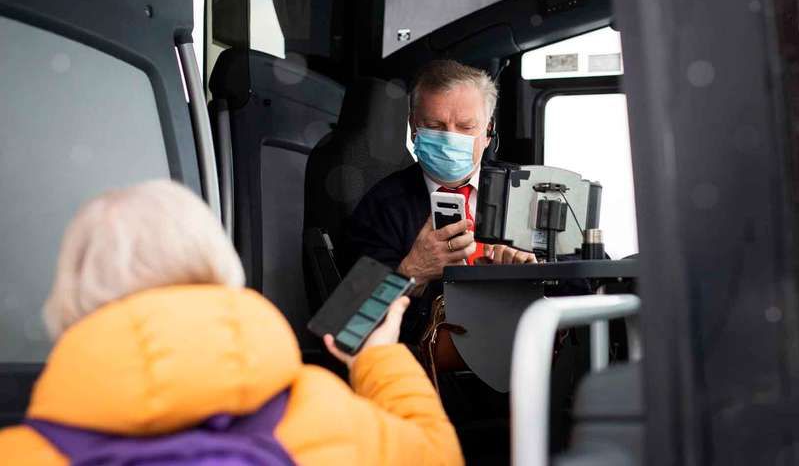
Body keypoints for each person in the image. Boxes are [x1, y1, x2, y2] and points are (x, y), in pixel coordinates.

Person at [0, 180, 463, 466]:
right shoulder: (325, 413)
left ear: (70, 300)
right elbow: (437, 456)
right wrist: (378, 358)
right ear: (220, 263)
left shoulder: (17, 452)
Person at [347, 59, 536, 341]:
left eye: (466, 127)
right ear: (413, 127)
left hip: (524, 352)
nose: (450, 140)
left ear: (488, 131)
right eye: (435, 125)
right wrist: (411, 273)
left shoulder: (530, 190)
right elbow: (351, 327)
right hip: (426, 360)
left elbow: (585, 287)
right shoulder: (381, 207)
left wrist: (537, 275)